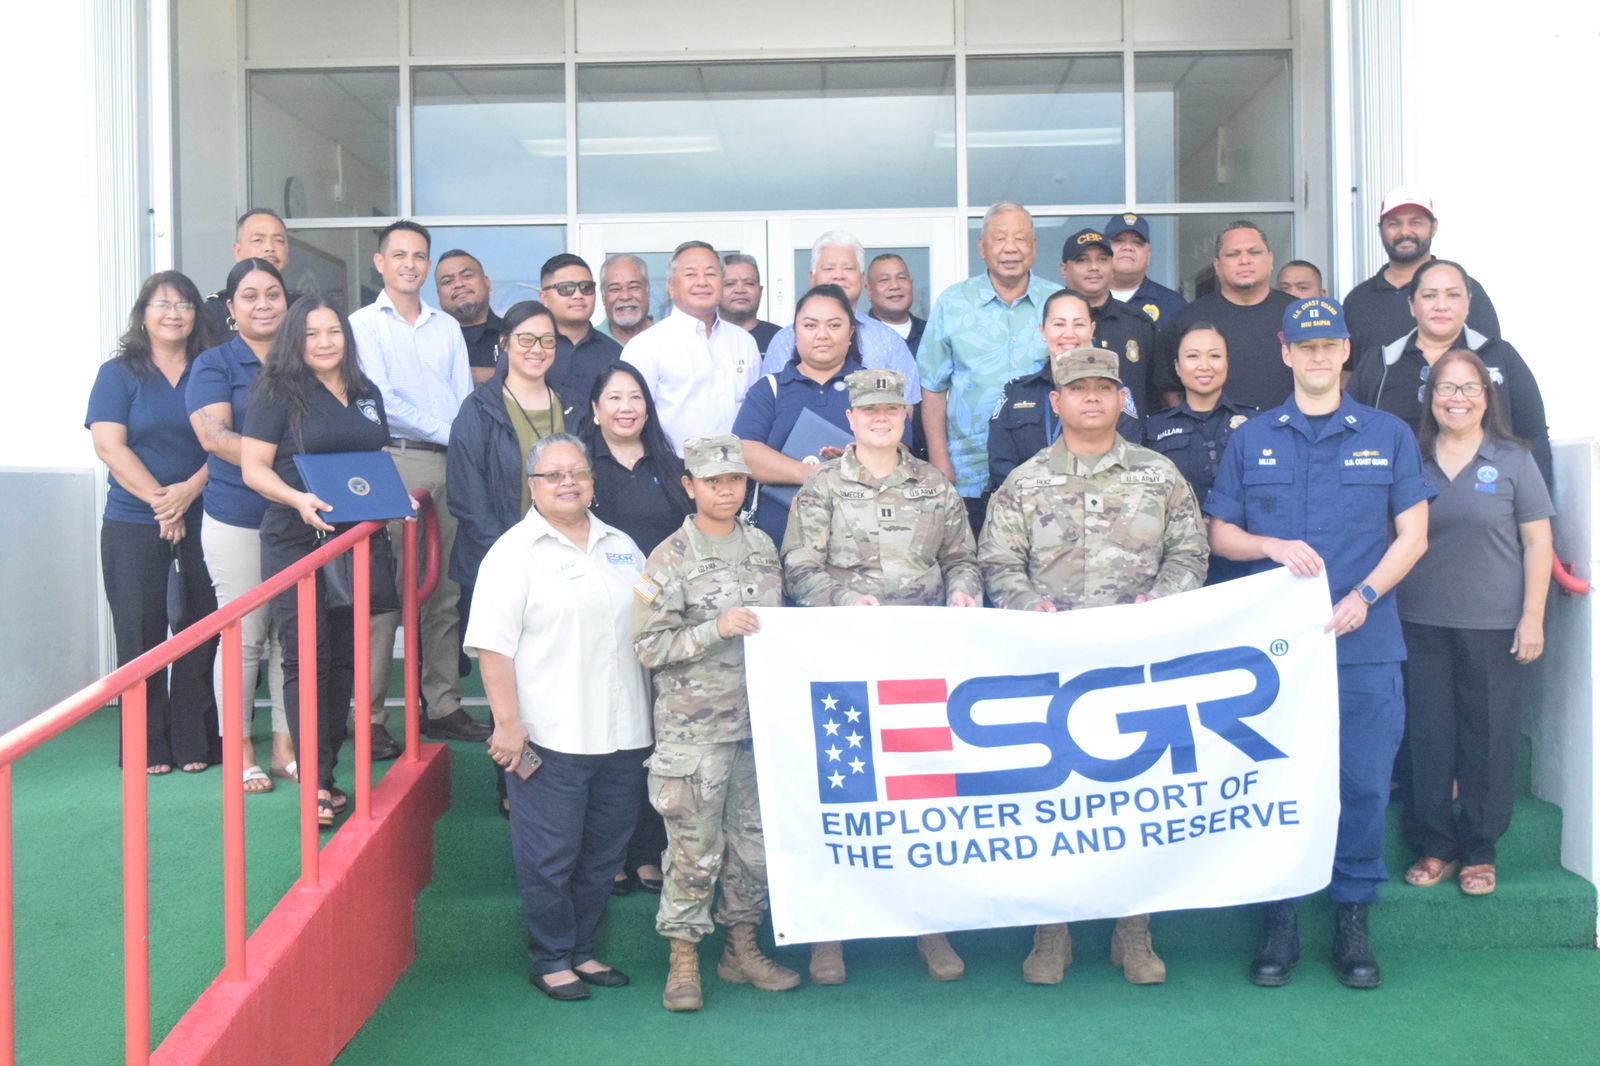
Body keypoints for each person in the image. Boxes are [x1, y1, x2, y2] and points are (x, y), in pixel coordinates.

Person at [1206, 295, 1433, 989]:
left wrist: (1364, 596)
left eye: (1327, 345)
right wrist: (1268, 543)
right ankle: (1281, 922)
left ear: (1343, 353)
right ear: (1285, 351)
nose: (1315, 356)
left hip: (1364, 647)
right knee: (1277, 784)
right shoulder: (1253, 437)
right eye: (1304, 346)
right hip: (1277, 656)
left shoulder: (1388, 433)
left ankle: (1353, 922)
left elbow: (1415, 535)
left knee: (1362, 786)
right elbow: (1221, 534)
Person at [979, 347, 1207, 990]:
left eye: (1104, 389)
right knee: (1056, 803)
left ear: (1120, 400)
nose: (1091, 399)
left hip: (1137, 664)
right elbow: (997, 565)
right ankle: (1052, 929)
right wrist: (1032, 607)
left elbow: (1190, 551)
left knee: (1136, 801)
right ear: (1056, 401)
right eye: (1077, 389)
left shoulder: (1159, 475)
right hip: (1050, 669)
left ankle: (1133, 928)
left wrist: (1158, 605)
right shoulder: (1024, 482)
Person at [781, 367, 978, 985]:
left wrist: (966, 593)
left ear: (904, 417)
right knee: (845, 799)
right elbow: (799, 568)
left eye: (891, 410)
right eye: (870, 411)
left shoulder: (934, 486)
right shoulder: (821, 489)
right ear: (852, 418)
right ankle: (829, 937)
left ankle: (930, 926)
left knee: (922, 798)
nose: (881, 418)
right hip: (843, 663)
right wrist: (844, 604)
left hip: (921, 665)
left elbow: (961, 558)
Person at [470, 433, 652, 1001]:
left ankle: (585, 951)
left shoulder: (622, 545)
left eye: (578, 472)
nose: (568, 483)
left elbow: (651, 624)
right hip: (552, 734)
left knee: (604, 853)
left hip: (624, 734)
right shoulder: (513, 553)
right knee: (550, 857)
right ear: (533, 486)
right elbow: (493, 647)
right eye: (554, 475)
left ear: (593, 482)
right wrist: (506, 723)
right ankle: (550, 957)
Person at [632, 434, 798, 1012]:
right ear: (689, 487)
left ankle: (741, 949)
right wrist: (715, 628)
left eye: (734, 479)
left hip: (756, 728)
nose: (725, 490)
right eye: (712, 481)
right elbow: (648, 646)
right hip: (694, 737)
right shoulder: (668, 557)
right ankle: (682, 962)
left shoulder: (762, 547)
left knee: (751, 851)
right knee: (694, 852)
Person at [1398, 350, 1553, 898]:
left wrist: (1532, 616)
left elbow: (1538, 541)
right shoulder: (1410, 457)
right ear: (1429, 396)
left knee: (1487, 738)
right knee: (1430, 736)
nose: (1456, 398)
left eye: (1469, 388)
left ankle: (1481, 849)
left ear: (1487, 398)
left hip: (1493, 622)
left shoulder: (1514, 458)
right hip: (1419, 619)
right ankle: (1436, 844)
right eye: (1446, 388)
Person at [242, 296, 392, 828]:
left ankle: (327, 772)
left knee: (346, 661)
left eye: (334, 331)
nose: (326, 342)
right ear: (294, 341)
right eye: (312, 334)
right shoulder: (275, 391)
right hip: (298, 540)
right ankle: (317, 781)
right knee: (308, 660)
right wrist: (297, 499)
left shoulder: (365, 390)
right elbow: (253, 467)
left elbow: (372, 455)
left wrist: (394, 494)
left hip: (358, 541)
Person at [350, 220, 488, 749]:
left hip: (450, 464)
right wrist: (451, 431)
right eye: (400, 254)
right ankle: (372, 718)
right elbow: (380, 399)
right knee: (386, 595)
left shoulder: (445, 327)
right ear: (380, 262)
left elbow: (462, 399)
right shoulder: (361, 325)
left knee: (444, 591)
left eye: (420, 256)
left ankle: (443, 703)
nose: (411, 263)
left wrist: (460, 441)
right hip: (395, 463)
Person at [88, 271, 220, 775]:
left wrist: (187, 494)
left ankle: (194, 741)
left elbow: (230, 441)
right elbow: (108, 445)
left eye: (185, 305)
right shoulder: (118, 372)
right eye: (163, 304)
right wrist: (163, 503)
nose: (174, 314)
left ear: (196, 316)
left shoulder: (209, 371)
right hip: (132, 522)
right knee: (139, 632)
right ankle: (146, 745)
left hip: (207, 515)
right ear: (143, 313)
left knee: (199, 629)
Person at [577, 362, 691, 895]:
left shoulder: (670, 465)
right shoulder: (579, 468)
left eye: (636, 397)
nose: (626, 407)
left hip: (664, 623)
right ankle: (612, 853)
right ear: (595, 409)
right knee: (612, 740)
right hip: (598, 621)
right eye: (614, 397)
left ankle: (648, 849)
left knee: (655, 739)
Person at [187, 257, 293, 789]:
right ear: (231, 308)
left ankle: (283, 747)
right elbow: (212, 436)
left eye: (272, 294)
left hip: (298, 516)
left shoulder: (302, 359)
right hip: (239, 518)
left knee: (288, 637)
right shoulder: (214, 364)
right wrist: (281, 461)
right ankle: (240, 748)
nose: (263, 304)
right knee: (245, 636)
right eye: (250, 296)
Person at [1349, 258, 1551, 487]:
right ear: (1411, 305)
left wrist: (1538, 511)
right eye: (1429, 295)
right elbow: (1350, 435)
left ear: (1468, 302)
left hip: (1488, 502)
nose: (1441, 305)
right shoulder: (1381, 362)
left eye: (1453, 295)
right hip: (1398, 502)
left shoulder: (1500, 356)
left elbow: (1533, 435)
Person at [918, 202, 1058, 532]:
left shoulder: (1059, 303)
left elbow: (1082, 380)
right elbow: (932, 387)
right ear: (982, 247)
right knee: (974, 573)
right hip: (971, 471)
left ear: (1034, 246)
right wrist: (940, 462)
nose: (1011, 248)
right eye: (999, 238)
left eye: (1021, 239)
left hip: (1049, 471)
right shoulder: (953, 303)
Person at [735, 284, 909, 547]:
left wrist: (857, 463)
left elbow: (901, 451)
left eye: (834, 325)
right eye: (810, 325)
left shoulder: (876, 388)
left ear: (851, 333)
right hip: (779, 539)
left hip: (862, 541)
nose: (822, 335)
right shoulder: (770, 388)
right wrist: (810, 473)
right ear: (795, 333)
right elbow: (744, 452)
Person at [987, 288, 1139, 494]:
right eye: (1059, 324)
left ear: (1092, 330)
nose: (1069, 334)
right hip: (1029, 510)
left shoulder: (1114, 393)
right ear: (1043, 331)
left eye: (1079, 324)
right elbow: (1001, 464)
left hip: (1102, 509)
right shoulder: (1017, 393)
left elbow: (1126, 458)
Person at [1141, 322, 1257, 584]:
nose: (1204, 365)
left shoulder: (1254, 423)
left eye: (1214, 356)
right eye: (1193, 356)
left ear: (1227, 362)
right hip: (1176, 562)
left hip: (1243, 561)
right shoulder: (1154, 428)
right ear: (1177, 367)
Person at [621, 241, 759, 453]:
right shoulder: (645, 346)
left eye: (711, 274)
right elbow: (630, 418)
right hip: (674, 472)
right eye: (691, 274)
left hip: (740, 473)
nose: (702, 282)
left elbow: (757, 413)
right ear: (671, 286)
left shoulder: (744, 342)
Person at [759, 233, 923, 407]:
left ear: (861, 278)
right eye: (829, 269)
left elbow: (907, 407)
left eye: (848, 269)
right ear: (812, 278)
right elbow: (770, 403)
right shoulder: (785, 339)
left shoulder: (888, 340)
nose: (839, 275)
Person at [1341, 186, 1499, 357]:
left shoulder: (1462, 290)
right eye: (1394, 224)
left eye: (1415, 222)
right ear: (1380, 230)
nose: (1405, 231)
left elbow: (1492, 363)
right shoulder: (1357, 300)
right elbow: (1347, 373)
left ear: (1434, 227)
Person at [1154, 221, 1295, 411]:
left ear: (1270, 260)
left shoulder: (1297, 315)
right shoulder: (1187, 321)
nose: (1245, 260)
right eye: (1233, 254)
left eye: (1254, 252)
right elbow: (1169, 388)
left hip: (1289, 435)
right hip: (1213, 439)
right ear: (1217, 265)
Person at [1059, 227, 1157, 419]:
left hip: (1131, 443)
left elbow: (1155, 394)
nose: (1094, 267)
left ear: (1112, 267)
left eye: (1102, 259)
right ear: (1064, 269)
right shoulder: (1050, 321)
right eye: (1082, 260)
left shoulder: (1138, 323)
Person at [540, 253, 622, 409]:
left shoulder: (615, 353)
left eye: (586, 287)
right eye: (566, 288)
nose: (578, 295)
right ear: (544, 297)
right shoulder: (532, 351)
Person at [203, 209, 295, 339]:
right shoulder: (214, 310)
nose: (270, 247)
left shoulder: (301, 307)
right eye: (258, 240)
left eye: (279, 240)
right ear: (238, 251)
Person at [1104, 212, 1186, 326]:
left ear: (1149, 255)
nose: (1128, 247)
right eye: (1119, 240)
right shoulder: (1083, 300)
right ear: (1104, 250)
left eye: (1137, 242)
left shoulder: (1173, 305)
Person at [434, 249, 502, 385]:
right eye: (447, 281)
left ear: (487, 282)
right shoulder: (429, 342)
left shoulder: (515, 334)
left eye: (467, 275)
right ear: (439, 295)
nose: (459, 284)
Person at [865, 253, 926, 355]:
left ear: (911, 284)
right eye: (884, 280)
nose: (895, 285)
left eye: (901, 278)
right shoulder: (857, 337)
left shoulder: (931, 333)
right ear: (869, 291)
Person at [719, 253, 781, 354]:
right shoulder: (704, 337)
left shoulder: (780, 338)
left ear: (760, 291)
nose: (740, 290)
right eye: (730, 284)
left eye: (749, 283)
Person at [598, 253, 654, 345]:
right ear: (603, 297)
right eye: (615, 289)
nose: (625, 296)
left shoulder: (672, 335)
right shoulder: (588, 343)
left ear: (647, 291)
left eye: (633, 287)